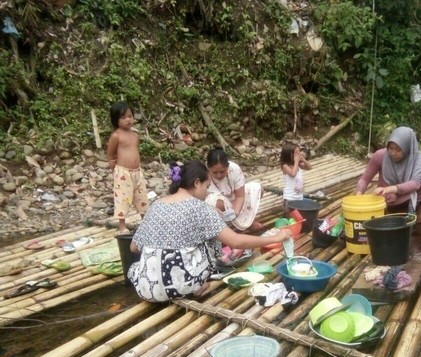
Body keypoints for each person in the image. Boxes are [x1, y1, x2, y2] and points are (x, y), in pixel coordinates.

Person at [128, 160, 292, 302]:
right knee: (210, 241)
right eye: (206, 186)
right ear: (197, 182)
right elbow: (236, 241)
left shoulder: (156, 205)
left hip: (146, 289)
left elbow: (133, 248)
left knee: (139, 264)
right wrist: (276, 237)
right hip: (180, 287)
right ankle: (196, 286)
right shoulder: (200, 208)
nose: (207, 192)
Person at [355, 126, 421, 225]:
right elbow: (365, 179)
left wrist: (391, 188)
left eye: (398, 149)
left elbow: (416, 183)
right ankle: (387, 214)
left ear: (407, 148)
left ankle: (420, 216)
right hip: (388, 200)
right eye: (391, 148)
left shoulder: (418, 158)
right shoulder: (380, 155)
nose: (393, 153)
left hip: (411, 197)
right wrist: (359, 195)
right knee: (390, 196)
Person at [107, 101, 149, 235]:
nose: (128, 119)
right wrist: (112, 164)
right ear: (116, 120)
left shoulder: (135, 135)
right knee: (123, 199)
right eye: (124, 117)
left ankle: (145, 222)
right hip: (123, 172)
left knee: (141, 197)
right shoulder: (116, 135)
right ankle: (122, 226)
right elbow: (110, 153)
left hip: (137, 172)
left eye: (130, 116)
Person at [205, 147, 263, 231]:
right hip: (215, 205)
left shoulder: (234, 169)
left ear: (228, 167)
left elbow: (240, 196)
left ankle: (247, 222)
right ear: (207, 167)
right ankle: (221, 230)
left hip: (234, 198)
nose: (218, 175)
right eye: (214, 172)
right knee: (217, 201)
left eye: (222, 172)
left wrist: (234, 213)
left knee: (258, 188)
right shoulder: (203, 174)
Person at [280, 142, 311, 213]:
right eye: (296, 153)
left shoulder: (299, 165)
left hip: (299, 197)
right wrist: (296, 161)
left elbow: (309, 167)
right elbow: (293, 173)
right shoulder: (285, 166)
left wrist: (303, 160)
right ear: (289, 155)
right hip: (289, 198)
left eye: (299, 152)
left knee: (299, 216)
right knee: (290, 216)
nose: (298, 154)